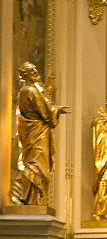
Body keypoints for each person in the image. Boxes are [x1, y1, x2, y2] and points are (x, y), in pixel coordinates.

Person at [9, 62, 70, 206]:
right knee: (36, 165)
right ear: (26, 75)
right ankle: (26, 197)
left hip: (33, 133)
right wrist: (57, 110)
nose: (36, 72)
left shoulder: (26, 91)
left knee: (35, 164)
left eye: (36, 70)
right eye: (32, 71)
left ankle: (32, 199)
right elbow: (46, 113)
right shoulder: (30, 91)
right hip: (37, 134)